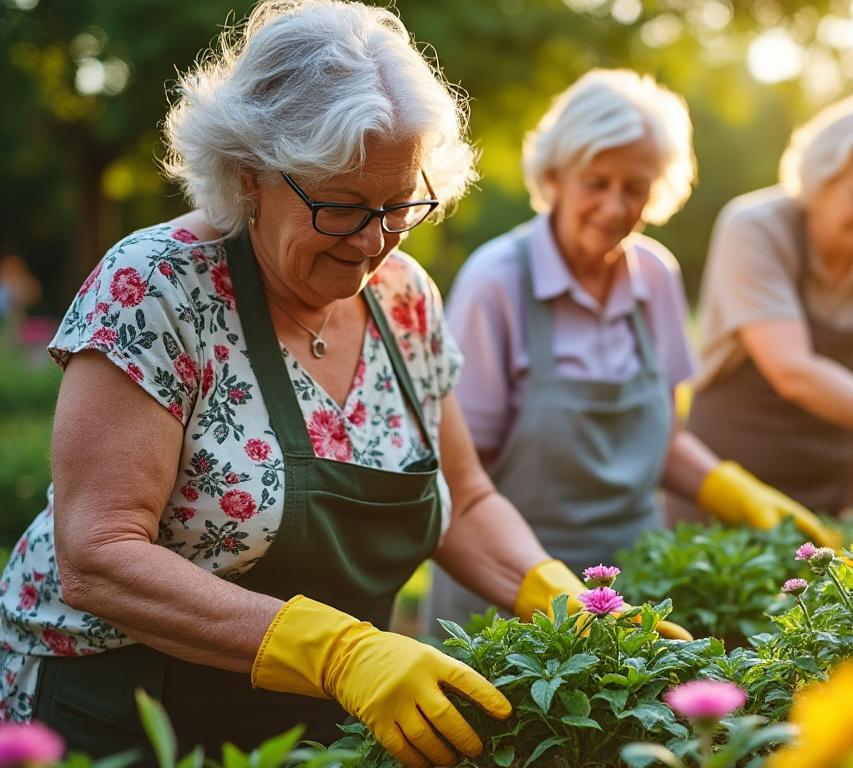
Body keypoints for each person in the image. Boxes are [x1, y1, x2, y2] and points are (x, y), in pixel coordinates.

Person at [0, 3, 672, 763]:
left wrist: (563, 601)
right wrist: (340, 654)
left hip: (309, 721)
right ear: (250, 174)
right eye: (342, 206)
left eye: (398, 208)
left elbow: (465, 496)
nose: (371, 243)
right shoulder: (157, 287)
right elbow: (99, 555)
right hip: (120, 708)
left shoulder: (404, 297)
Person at [427, 69, 836, 627]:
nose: (616, 206)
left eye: (635, 187)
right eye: (597, 182)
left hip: (633, 584)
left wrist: (738, 493)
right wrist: (543, 592)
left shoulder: (656, 276)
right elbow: (461, 478)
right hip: (509, 595)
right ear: (555, 176)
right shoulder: (497, 282)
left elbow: (662, 441)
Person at [683, 93, 853, 519]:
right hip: (726, 495)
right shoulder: (755, 229)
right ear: (820, 179)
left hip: (824, 500)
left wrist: (852, 496)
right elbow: (791, 370)